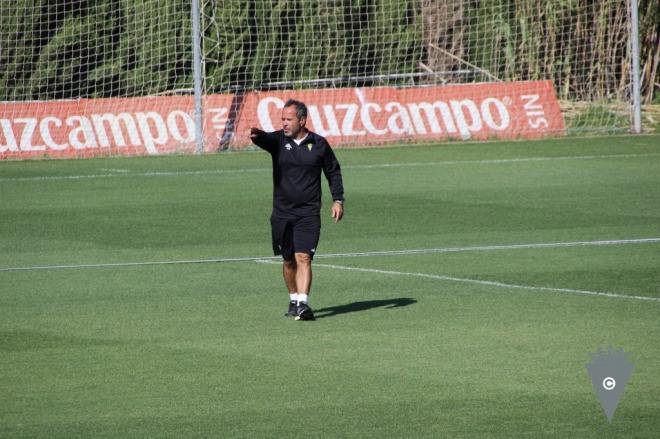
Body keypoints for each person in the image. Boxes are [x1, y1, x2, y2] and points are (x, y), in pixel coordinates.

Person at [250, 99, 345, 321]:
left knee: (303, 257)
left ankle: (303, 304)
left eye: (288, 119)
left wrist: (338, 200)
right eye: (282, 119)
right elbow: (263, 138)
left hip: (308, 214)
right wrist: (257, 135)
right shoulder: (278, 141)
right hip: (282, 213)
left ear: (302, 120)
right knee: (288, 260)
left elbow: (333, 171)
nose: (284, 123)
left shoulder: (319, 144)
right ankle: (293, 299)